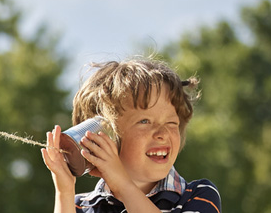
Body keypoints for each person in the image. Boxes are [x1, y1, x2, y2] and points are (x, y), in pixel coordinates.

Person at [39, 59, 222, 213]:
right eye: (144, 121)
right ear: (103, 138)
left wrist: (123, 186)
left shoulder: (198, 194)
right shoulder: (80, 206)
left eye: (171, 123)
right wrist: (64, 193)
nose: (162, 133)